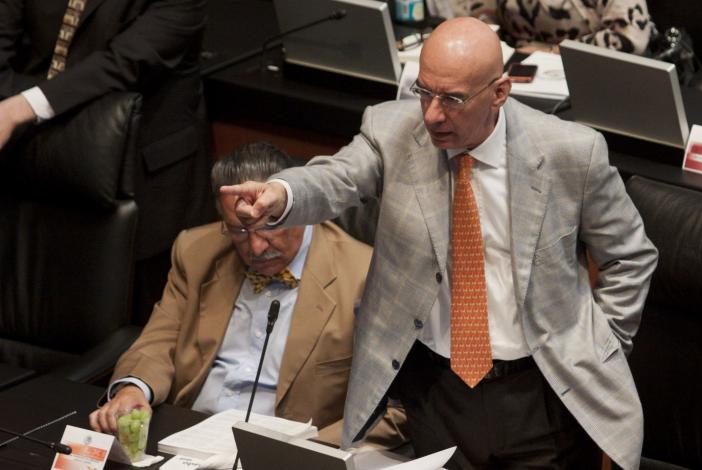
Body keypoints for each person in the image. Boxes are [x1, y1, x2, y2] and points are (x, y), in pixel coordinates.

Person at [222, 17, 658, 469]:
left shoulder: (572, 153)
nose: (432, 114)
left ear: (499, 93)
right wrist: (281, 194)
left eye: (451, 99)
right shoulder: (391, 130)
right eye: (424, 92)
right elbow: (337, 177)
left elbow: (631, 255)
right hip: (436, 392)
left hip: (542, 393)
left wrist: (601, 345)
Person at [89, 142, 405, 448]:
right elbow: (159, 340)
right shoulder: (196, 250)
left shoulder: (367, 276)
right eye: (240, 230)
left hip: (287, 454)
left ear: (300, 208)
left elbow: (393, 410)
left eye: (270, 225)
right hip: (188, 437)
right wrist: (133, 388)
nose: (255, 247)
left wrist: (311, 452)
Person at [0, 0, 214, 322]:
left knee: (143, 334)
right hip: (38, 165)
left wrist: (21, 107)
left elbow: (123, 64)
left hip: (144, 184)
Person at [437, 0, 654, 54]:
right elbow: (471, 16)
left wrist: (552, 52)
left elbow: (631, 38)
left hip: (586, 71)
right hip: (513, 68)